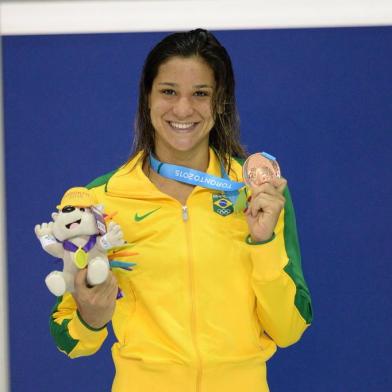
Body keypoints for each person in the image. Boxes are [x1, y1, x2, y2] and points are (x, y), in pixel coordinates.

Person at [49, 29, 312, 392]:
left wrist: (262, 242)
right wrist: (90, 318)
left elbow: (290, 329)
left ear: (220, 102)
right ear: (148, 99)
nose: (183, 109)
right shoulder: (100, 200)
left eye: (200, 94)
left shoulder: (257, 192)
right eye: (168, 91)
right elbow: (69, 340)